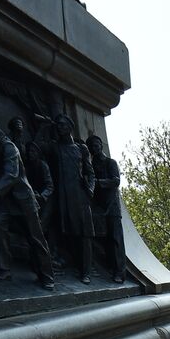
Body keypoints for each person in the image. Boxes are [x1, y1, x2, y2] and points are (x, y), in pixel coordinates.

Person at [0, 124, 55, 289]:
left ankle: (47, 276)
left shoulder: (9, 147)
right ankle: (3, 268)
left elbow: (11, 173)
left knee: (35, 237)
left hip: (22, 198)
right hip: (5, 199)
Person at [49, 113, 97, 284]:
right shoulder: (56, 148)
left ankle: (86, 271)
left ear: (70, 127)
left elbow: (90, 173)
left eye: (62, 124)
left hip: (80, 196)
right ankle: (70, 265)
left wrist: (90, 189)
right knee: (68, 233)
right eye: (57, 125)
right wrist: (43, 127)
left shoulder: (81, 149)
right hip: (63, 196)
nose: (59, 127)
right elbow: (38, 148)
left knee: (85, 234)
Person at [86, 133, 127, 283]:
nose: (94, 148)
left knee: (116, 239)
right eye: (92, 146)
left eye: (96, 145)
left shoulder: (111, 162)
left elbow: (116, 181)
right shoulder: (90, 165)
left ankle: (120, 272)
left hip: (112, 207)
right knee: (103, 239)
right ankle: (108, 267)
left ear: (101, 146)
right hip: (98, 207)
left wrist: (97, 182)